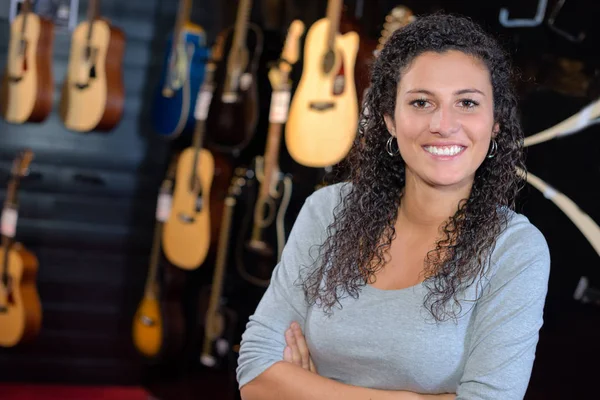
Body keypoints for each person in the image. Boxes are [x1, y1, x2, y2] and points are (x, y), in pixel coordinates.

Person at [236, 12, 551, 400]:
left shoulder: (515, 249)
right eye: (421, 102)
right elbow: (255, 372)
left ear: (495, 123)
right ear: (389, 118)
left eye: (467, 103)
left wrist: (311, 389)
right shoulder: (329, 210)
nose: (443, 123)